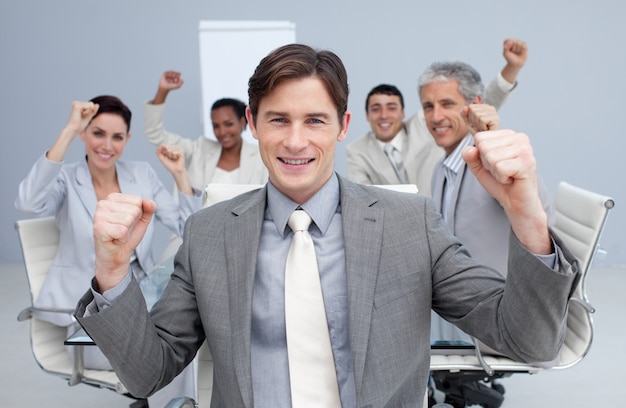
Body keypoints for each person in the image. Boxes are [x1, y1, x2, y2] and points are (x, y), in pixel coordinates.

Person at [75, 44, 579, 408]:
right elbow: (146, 375)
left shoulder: (411, 223)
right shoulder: (209, 234)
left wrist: (527, 216)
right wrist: (114, 272)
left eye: (315, 120)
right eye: (278, 120)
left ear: (342, 125)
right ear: (253, 125)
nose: (295, 142)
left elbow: (531, 343)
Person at [15, 95, 201, 407]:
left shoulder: (140, 174)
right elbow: (28, 203)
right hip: (92, 323)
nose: (107, 145)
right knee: (175, 353)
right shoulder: (65, 179)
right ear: (84, 134)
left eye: (117, 137)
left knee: (191, 341)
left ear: (127, 139)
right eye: (98, 133)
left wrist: (180, 175)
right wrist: (69, 128)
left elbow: (189, 229)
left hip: (146, 304)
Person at [346, 38, 528, 197]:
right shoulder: (356, 150)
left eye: (391, 108)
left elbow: (477, 106)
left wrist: (511, 68)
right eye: (376, 109)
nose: (384, 115)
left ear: (403, 113)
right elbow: (362, 196)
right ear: (367, 116)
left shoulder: (425, 121)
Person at [145, 70, 268, 191]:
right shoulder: (199, 150)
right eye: (216, 126)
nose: (222, 132)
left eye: (228, 124)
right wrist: (163, 91)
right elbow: (155, 134)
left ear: (242, 121)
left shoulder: (260, 157)